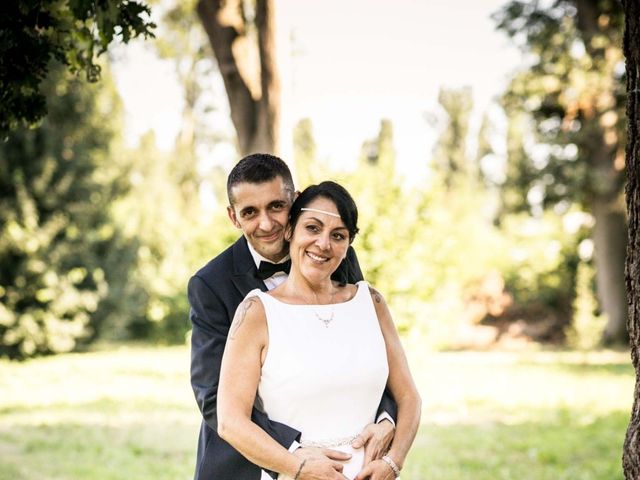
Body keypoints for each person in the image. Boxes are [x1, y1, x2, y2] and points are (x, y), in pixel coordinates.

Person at [189, 154, 397, 480]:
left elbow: (361, 349)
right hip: (244, 463)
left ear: (295, 200)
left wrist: (387, 417)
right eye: (249, 212)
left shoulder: (332, 252)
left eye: (275, 206)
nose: (267, 223)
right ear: (233, 217)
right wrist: (295, 451)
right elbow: (215, 397)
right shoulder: (211, 284)